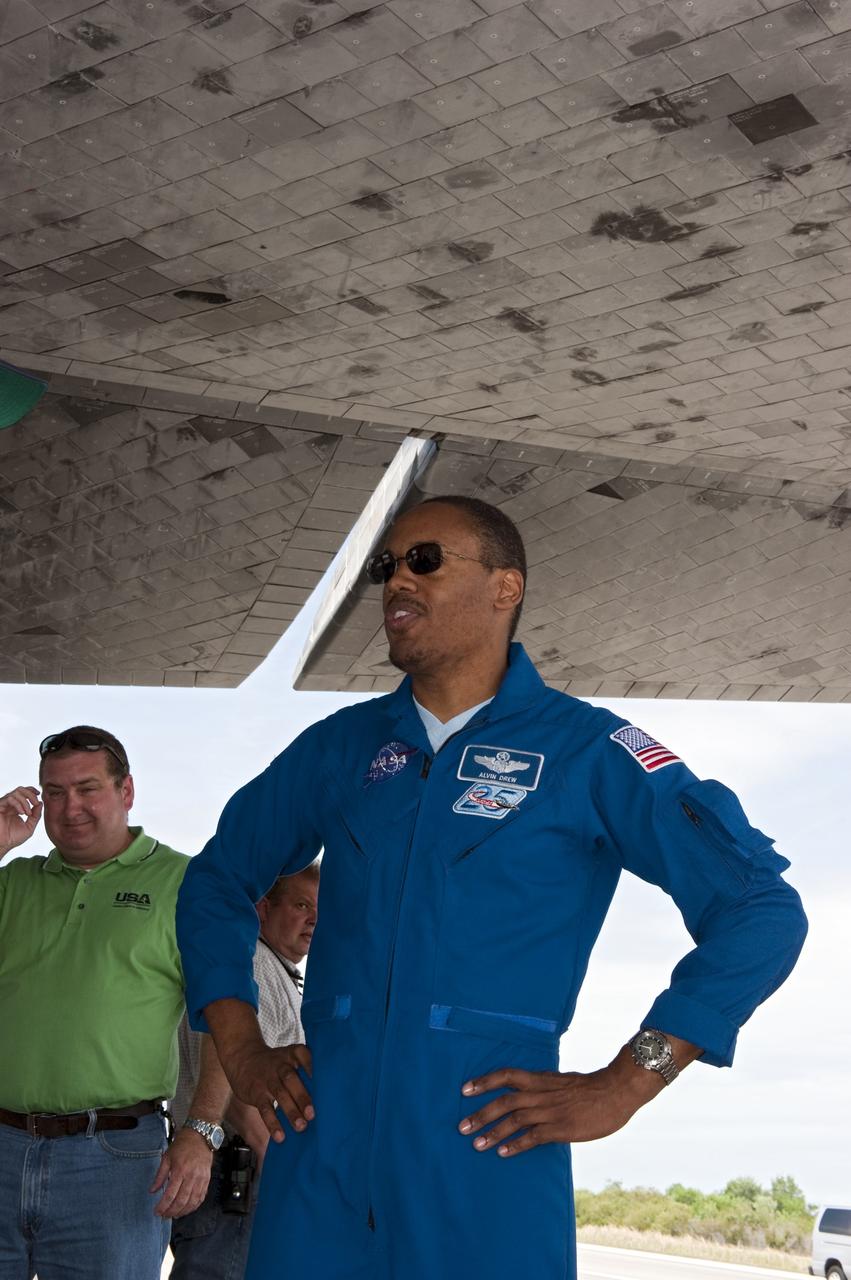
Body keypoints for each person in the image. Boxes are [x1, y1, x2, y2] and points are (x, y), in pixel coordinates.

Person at [176, 497, 808, 1280]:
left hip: (485, 1155)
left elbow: (760, 909)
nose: (395, 582)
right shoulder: (339, 748)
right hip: (319, 1164)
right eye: (386, 567)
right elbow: (214, 881)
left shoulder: (590, 751)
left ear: (505, 588)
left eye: (424, 560)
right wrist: (239, 1046)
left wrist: (626, 1082)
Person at [0, 727, 231, 1280]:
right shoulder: (13, 883)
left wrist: (202, 1134)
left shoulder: (186, 884)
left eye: (87, 788)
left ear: (127, 791)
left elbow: (227, 1018)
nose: (69, 807)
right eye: (53, 792)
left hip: (116, 1163)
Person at [170, 865, 319, 1280]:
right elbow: (236, 1083)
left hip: (241, 1174)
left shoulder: (274, 969)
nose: (313, 920)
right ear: (263, 907)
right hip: (235, 1175)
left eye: (319, 912)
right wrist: (275, 1165)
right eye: (302, 906)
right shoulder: (253, 965)